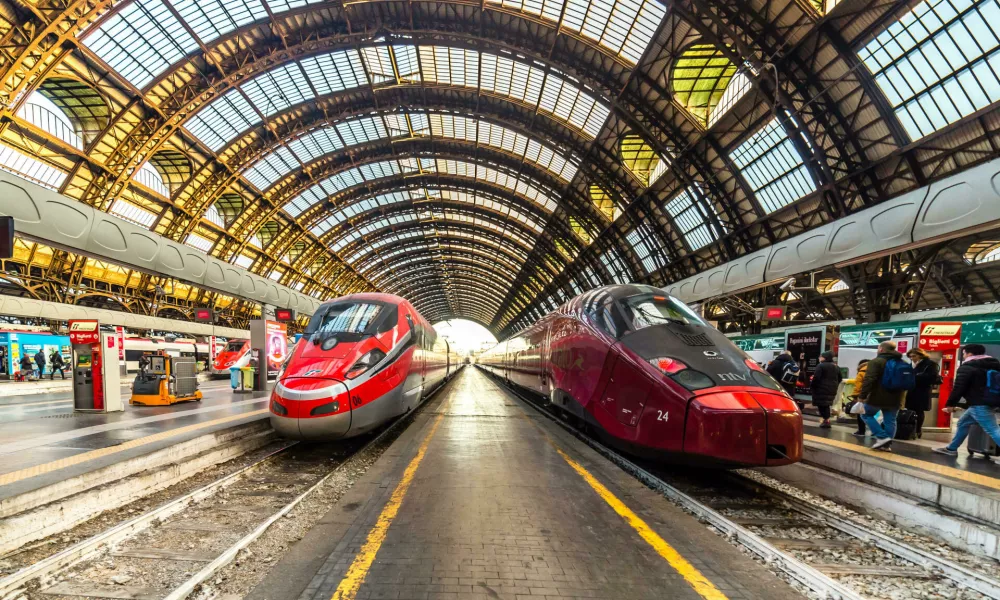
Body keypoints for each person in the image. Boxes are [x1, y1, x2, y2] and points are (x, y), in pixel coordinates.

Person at [934, 344, 1000, 456]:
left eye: (964, 353)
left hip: (979, 403)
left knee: (993, 429)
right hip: (992, 400)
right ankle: (951, 449)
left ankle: (951, 449)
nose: (963, 356)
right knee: (963, 423)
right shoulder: (995, 365)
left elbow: (959, 387)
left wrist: (950, 404)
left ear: (969, 353)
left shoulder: (968, 367)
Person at [858, 341, 908, 451]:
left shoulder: (876, 362)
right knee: (890, 420)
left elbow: (869, 379)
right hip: (896, 396)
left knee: (865, 414)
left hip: (877, 396)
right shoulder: (902, 362)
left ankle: (882, 437)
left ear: (881, 349)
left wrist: (862, 396)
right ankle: (886, 445)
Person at [907, 348, 939, 439]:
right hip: (911, 390)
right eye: (911, 356)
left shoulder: (930, 364)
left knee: (919, 410)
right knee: (910, 409)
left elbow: (932, 377)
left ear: (921, 355)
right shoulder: (910, 365)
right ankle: (910, 429)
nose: (912, 358)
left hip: (922, 391)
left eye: (914, 356)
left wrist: (915, 377)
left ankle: (918, 429)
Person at [810, 351, 842, 428]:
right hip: (832, 389)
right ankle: (826, 420)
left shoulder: (821, 366)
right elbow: (840, 378)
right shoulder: (836, 366)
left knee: (822, 405)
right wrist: (834, 385)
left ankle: (826, 420)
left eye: (821, 356)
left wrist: (812, 386)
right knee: (826, 405)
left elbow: (816, 378)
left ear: (825, 357)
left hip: (821, 389)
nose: (819, 358)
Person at [850, 359, 870, 437]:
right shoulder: (875, 371)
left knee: (861, 413)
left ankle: (861, 431)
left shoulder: (861, 372)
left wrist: (855, 396)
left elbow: (858, 386)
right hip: (873, 395)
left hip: (863, 396)